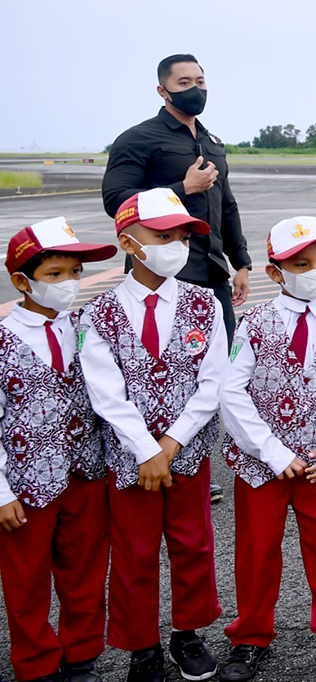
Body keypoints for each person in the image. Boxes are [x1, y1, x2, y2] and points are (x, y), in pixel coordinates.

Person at [218, 217, 316, 680]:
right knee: (256, 552)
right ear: (275, 272)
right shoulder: (254, 323)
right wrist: (271, 451)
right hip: (261, 466)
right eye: (300, 264)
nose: (314, 271)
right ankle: (249, 636)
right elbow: (232, 391)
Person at [79, 188, 226, 682]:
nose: (176, 245)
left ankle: (188, 632)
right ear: (129, 242)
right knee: (135, 552)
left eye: (182, 235)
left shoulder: (204, 303)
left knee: (193, 543)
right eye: (163, 235)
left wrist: (172, 442)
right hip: (129, 461)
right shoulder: (97, 314)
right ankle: (141, 644)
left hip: (185, 454)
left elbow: (213, 381)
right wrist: (145, 449)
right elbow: (105, 392)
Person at [102, 53, 251, 504]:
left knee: (217, 372)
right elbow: (116, 199)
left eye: (201, 80)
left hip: (210, 270)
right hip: (161, 272)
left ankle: (199, 463)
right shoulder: (140, 139)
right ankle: (151, 457)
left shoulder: (212, 141)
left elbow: (226, 204)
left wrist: (240, 261)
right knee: (161, 375)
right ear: (163, 90)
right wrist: (181, 189)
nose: (196, 88)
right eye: (185, 81)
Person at [0, 220, 116, 682]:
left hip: (86, 472)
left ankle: (81, 654)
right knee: (26, 579)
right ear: (22, 282)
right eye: (55, 274)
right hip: (26, 483)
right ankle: (35, 662)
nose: (68, 283)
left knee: (86, 570)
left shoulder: (88, 328)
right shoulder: (4, 340)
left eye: (75, 272)